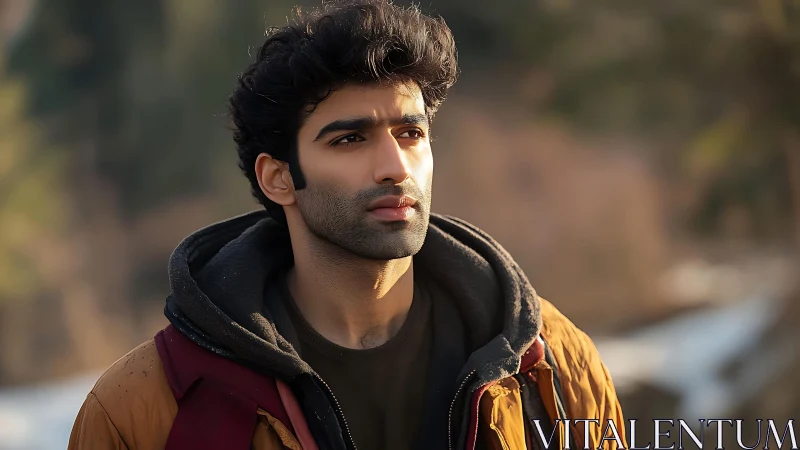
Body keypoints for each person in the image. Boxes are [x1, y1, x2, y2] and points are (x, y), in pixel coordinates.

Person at [68, 1, 626, 449]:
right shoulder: (146, 407)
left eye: (411, 134)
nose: (395, 167)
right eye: (350, 139)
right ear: (279, 178)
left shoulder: (548, 363)